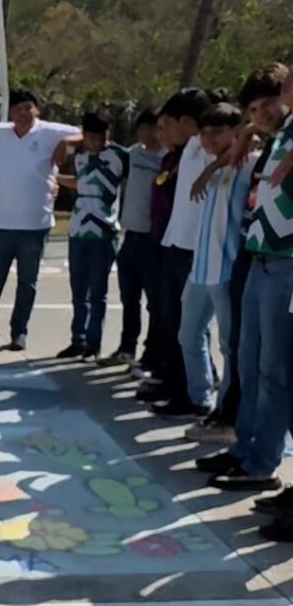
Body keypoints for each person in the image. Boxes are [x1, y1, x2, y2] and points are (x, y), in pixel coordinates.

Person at [197, 64, 293, 494]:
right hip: (259, 261)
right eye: (252, 109)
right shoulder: (275, 140)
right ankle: (246, 447)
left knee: (274, 371)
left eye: (265, 105)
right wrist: (244, 138)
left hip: (285, 265)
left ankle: (263, 462)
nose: (260, 115)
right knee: (251, 364)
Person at [0, 89, 81, 352]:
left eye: (29, 108)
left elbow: (82, 131)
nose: (24, 114)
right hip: (2, 224)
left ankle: (19, 333)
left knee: (27, 283)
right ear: (11, 113)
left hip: (36, 224)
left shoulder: (50, 131)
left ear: (37, 111)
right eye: (19, 109)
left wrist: (65, 143)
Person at [176, 103, 256, 431]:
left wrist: (211, 170)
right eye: (204, 132)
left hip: (226, 268)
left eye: (216, 132)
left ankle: (229, 409)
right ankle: (201, 398)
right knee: (188, 334)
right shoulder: (212, 163)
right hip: (201, 268)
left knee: (229, 345)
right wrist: (210, 168)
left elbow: (248, 146)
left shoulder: (245, 164)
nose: (208, 138)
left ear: (236, 132)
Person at [149, 88, 214, 417]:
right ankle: (176, 384)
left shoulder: (205, 149)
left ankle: (193, 392)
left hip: (194, 251)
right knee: (171, 321)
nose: (165, 130)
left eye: (169, 123)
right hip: (175, 245)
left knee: (188, 327)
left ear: (187, 122)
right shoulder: (186, 149)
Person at [55, 111, 129, 360]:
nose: (97, 142)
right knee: (78, 290)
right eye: (92, 137)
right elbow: (81, 182)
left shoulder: (120, 155)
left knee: (98, 291)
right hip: (78, 229)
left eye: (102, 137)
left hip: (104, 231)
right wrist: (54, 178)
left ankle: (93, 344)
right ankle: (78, 339)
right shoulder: (80, 156)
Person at [102, 109, 164, 367]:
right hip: (131, 237)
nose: (148, 133)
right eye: (143, 128)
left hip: (154, 240)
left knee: (156, 303)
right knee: (129, 299)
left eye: (154, 128)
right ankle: (127, 347)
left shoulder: (168, 159)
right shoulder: (132, 154)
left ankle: (153, 352)